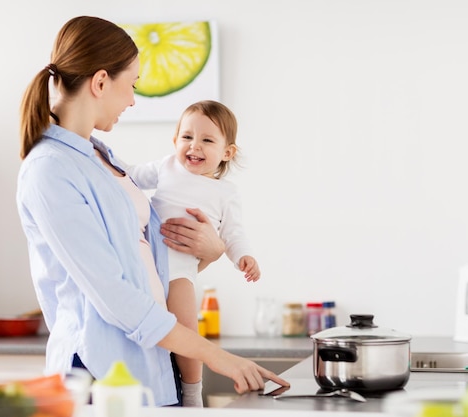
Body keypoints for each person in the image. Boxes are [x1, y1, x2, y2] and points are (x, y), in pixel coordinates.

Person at [15, 15, 288, 408]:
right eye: (132, 85)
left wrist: (207, 255)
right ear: (101, 82)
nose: (132, 100)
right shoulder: (50, 170)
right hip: (102, 375)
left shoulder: (102, 158)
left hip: (153, 366)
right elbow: (115, 296)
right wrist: (217, 356)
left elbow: (144, 269)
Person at [120, 100, 260, 406]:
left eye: (207, 140)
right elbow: (128, 175)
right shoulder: (166, 166)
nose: (194, 146)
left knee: (187, 331)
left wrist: (243, 257)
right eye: (187, 137)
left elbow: (233, 233)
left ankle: (192, 392)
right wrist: (100, 155)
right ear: (175, 141)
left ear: (227, 152)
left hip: (180, 269)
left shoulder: (226, 193)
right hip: (145, 263)